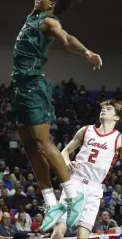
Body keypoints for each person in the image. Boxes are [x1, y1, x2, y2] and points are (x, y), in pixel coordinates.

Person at [11, 0, 102, 232]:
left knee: (42, 142)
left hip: (35, 85)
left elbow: (66, 38)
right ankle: (51, 201)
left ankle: (73, 195)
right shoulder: (34, 13)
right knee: (29, 147)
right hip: (19, 88)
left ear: (51, 5)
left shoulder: (49, 20)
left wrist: (86, 52)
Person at [51, 100, 122, 239]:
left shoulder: (119, 139)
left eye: (108, 109)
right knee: (59, 231)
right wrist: (67, 162)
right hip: (75, 182)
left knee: (83, 236)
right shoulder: (86, 130)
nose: (104, 110)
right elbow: (64, 152)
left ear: (117, 117)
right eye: (103, 108)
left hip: (94, 189)